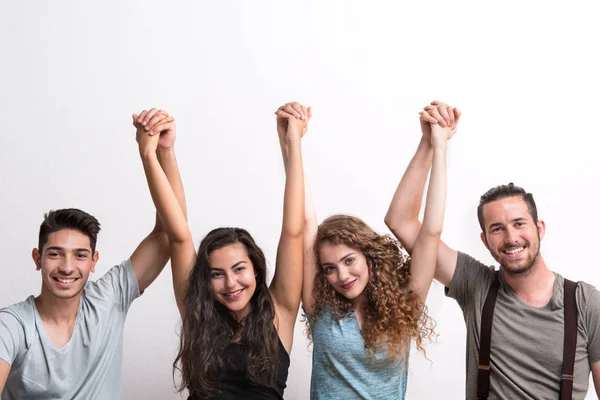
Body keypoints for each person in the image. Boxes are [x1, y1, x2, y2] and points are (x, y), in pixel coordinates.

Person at [385, 100, 600, 399]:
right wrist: (430, 143)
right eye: (497, 228)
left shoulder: (586, 303)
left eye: (519, 224)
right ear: (485, 241)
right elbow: (402, 222)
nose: (511, 238)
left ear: (539, 229)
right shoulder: (477, 285)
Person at [0, 108, 181, 399]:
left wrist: (162, 152)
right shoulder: (12, 325)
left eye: (80, 255)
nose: (67, 267)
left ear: (94, 261)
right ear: (37, 258)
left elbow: (169, 235)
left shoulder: (107, 300)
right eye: (55, 254)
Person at [138, 101, 307, 399]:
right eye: (217, 274)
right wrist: (155, 153)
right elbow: (178, 236)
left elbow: (293, 230)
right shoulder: (198, 313)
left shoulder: (279, 311)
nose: (231, 283)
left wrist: (293, 143)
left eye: (239, 269)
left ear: (255, 269)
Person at [300, 101, 453, 399]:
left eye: (348, 260)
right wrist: (292, 143)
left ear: (368, 256)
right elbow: (305, 223)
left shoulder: (404, 301)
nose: (341, 275)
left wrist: (436, 145)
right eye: (330, 268)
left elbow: (431, 231)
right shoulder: (321, 308)